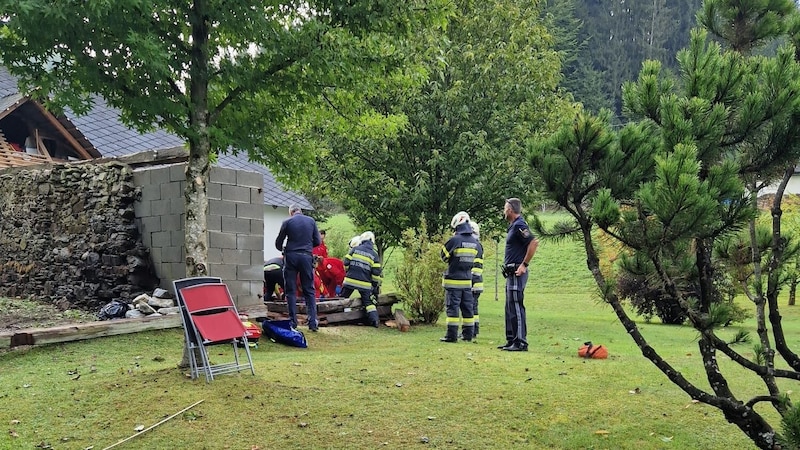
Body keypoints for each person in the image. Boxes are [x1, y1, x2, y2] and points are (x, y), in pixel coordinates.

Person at [498, 198, 539, 352]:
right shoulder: (512, 226)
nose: (503, 210)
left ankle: (520, 342)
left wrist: (524, 265)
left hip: (517, 271)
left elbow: (533, 242)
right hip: (510, 272)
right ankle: (511, 340)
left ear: (510, 209)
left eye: (505, 207)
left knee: (516, 306)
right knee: (509, 307)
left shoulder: (520, 225)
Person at [275, 204, 322, 331]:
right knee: (309, 290)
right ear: (300, 211)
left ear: (291, 212)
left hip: (291, 257)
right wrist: (306, 246)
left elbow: (278, 242)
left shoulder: (287, 222)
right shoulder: (311, 221)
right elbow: (318, 241)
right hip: (306, 257)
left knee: (290, 290)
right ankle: (312, 322)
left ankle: (293, 322)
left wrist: (284, 249)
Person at [440, 211, 482, 343]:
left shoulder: (454, 240)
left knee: (452, 310)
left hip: (453, 282)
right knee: (468, 310)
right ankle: (468, 335)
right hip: (467, 283)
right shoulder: (475, 243)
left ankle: (451, 336)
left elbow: (443, 256)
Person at [341, 231, 383, 327]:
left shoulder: (355, 249)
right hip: (365, 284)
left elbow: (346, 262)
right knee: (368, 303)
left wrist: (349, 272)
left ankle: (340, 318)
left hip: (350, 281)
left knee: (342, 298)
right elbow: (376, 273)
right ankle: (375, 321)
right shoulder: (374, 255)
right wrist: (374, 285)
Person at [470, 221, 484, 337]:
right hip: (476, 282)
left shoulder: (474, 245)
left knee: (471, 307)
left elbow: (476, 267)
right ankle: (474, 329)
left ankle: (472, 331)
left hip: (473, 283)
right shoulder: (477, 244)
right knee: (473, 307)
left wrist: (471, 282)